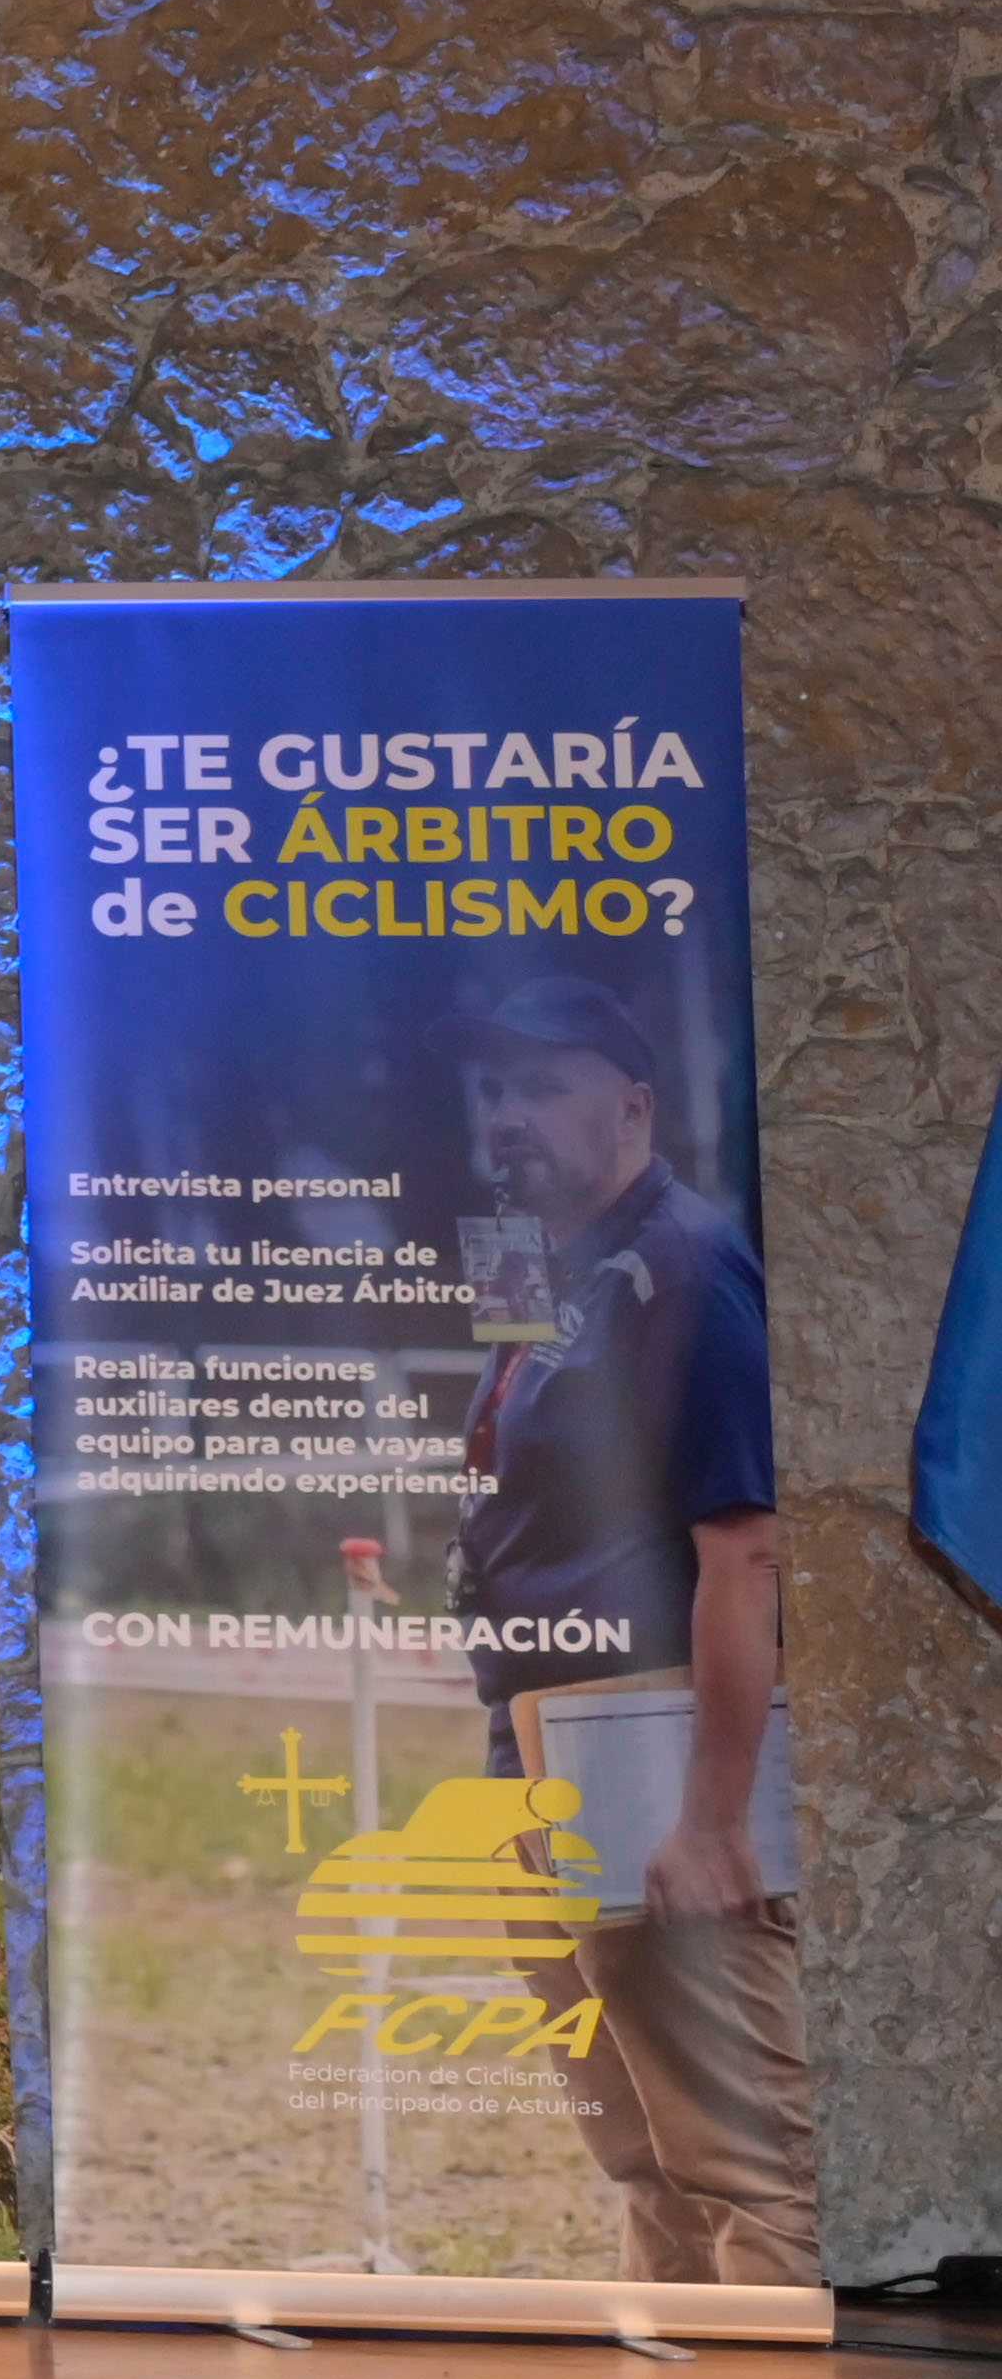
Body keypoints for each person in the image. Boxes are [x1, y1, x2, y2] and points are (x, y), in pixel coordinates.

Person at [448, 976, 809, 2287]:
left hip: (645, 1750)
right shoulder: (543, 1265)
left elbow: (747, 1553)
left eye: (545, 1085)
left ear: (636, 1106)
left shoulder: (690, 1270)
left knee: (743, 2164)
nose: (509, 1113)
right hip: (536, 1748)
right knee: (642, 2150)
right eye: (496, 1087)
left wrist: (711, 1820)